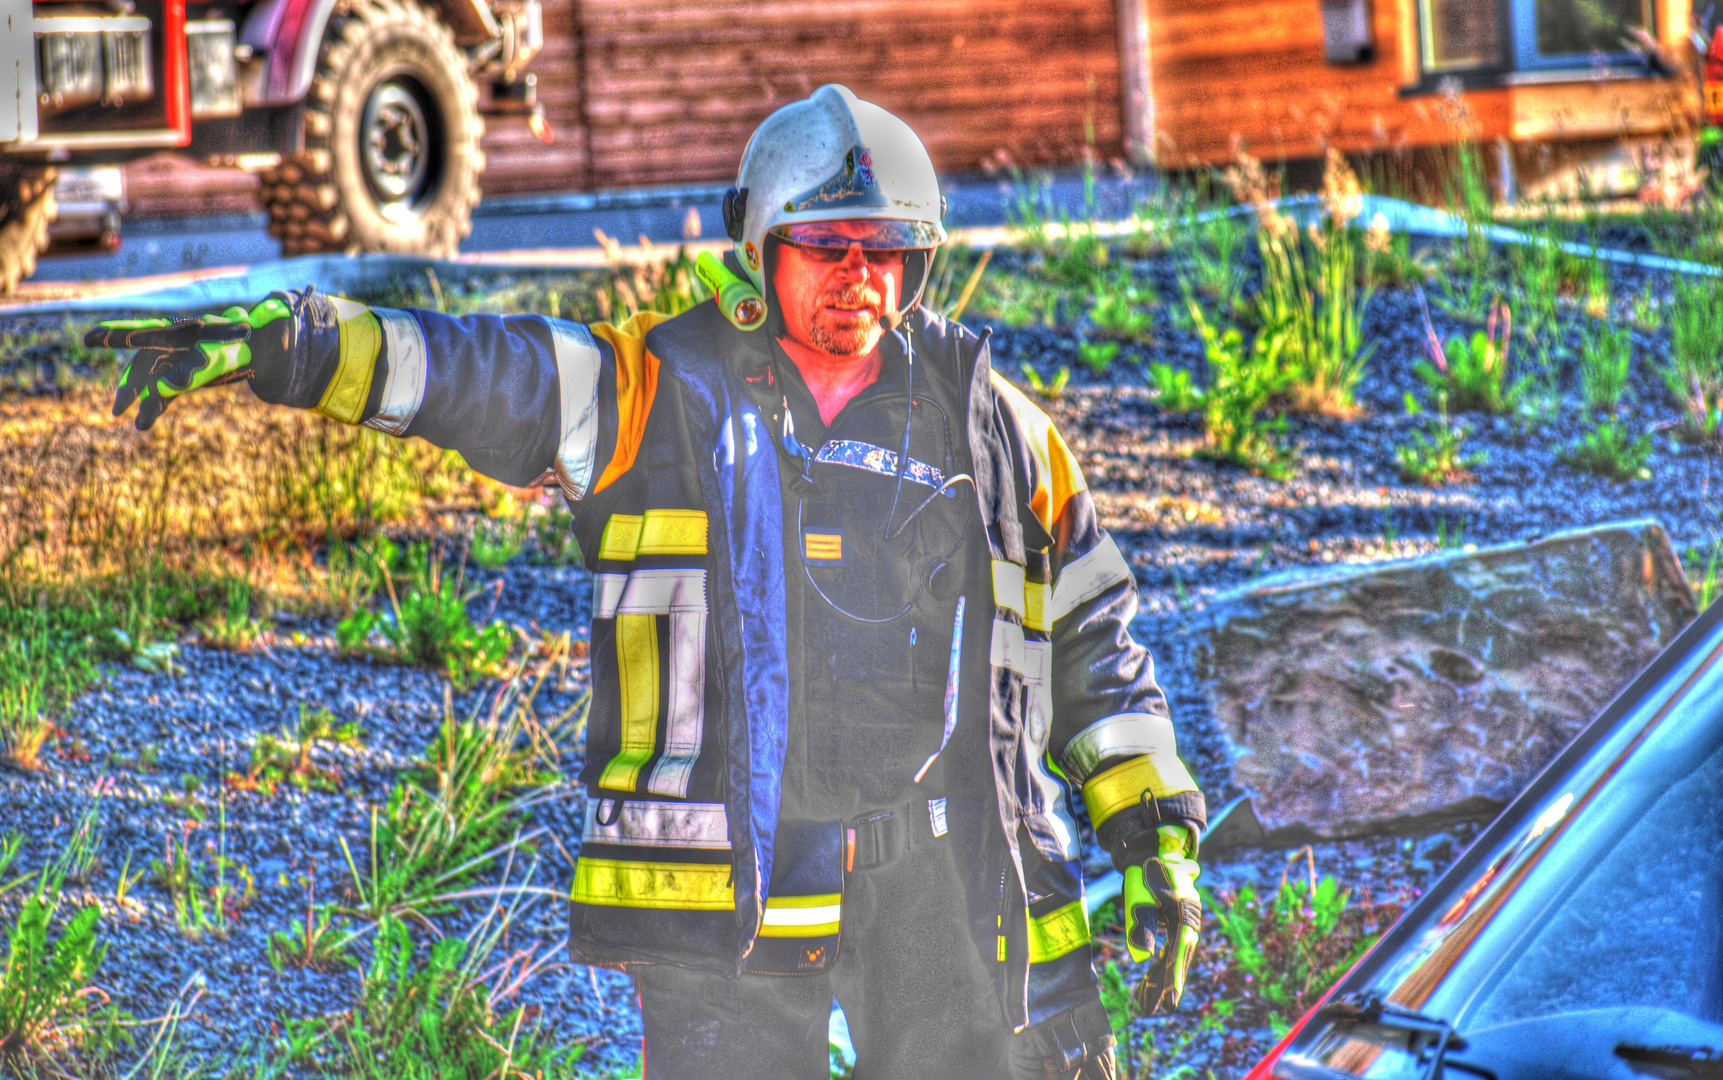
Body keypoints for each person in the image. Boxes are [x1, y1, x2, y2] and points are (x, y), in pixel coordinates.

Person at [91, 84, 1206, 1079]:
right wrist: (298, 344)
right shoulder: (651, 393)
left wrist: (1155, 839)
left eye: (884, 247)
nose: (858, 276)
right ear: (761, 249)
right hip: (727, 908)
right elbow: (480, 370)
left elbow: (1095, 655)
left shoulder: (1001, 434)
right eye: (826, 245)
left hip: (951, 892)